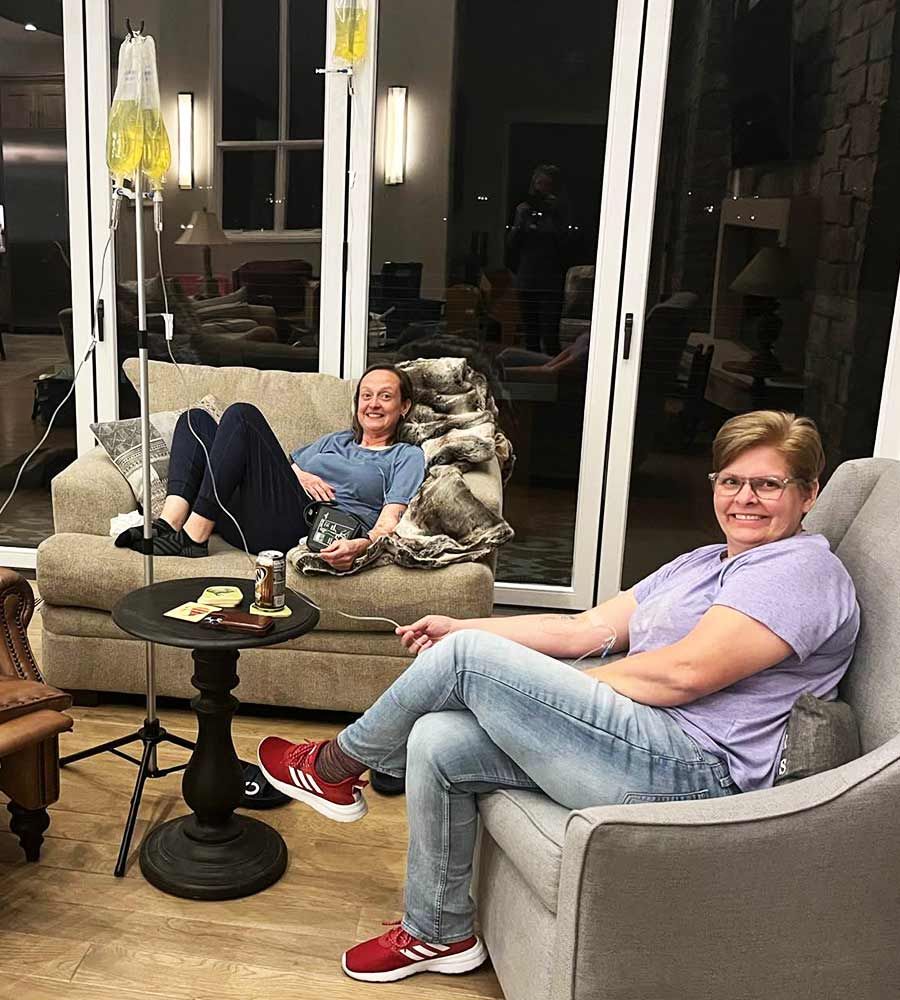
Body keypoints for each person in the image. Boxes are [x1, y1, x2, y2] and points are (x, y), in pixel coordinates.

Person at [257, 410, 859, 983]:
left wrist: (531, 684)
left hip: (700, 770)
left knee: (470, 667)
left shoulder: (797, 571)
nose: (744, 498)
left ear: (808, 494)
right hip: (640, 737)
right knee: (438, 738)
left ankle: (335, 766)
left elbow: (684, 676)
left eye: (767, 485)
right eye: (731, 481)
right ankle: (438, 933)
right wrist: (464, 628)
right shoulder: (704, 562)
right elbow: (584, 630)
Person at [116, 364, 426, 570]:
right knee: (194, 420)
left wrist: (362, 544)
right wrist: (300, 474)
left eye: (385, 397)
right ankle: (170, 523)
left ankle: (194, 538)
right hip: (250, 515)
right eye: (366, 396)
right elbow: (285, 466)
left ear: (404, 407)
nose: (373, 404)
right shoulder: (337, 440)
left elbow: (390, 520)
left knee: (242, 416)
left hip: (301, 527)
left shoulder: (405, 456)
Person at [506, 164, 571, 355]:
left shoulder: (559, 210)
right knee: (530, 334)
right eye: (538, 183)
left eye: (546, 184)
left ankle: (553, 375)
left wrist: (553, 215)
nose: (541, 188)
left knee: (550, 333)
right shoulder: (524, 210)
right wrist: (521, 222)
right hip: (527, 278)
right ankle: (533, 375)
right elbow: (512, 245)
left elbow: (565, 242)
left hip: (550, 280)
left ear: (553, 187)